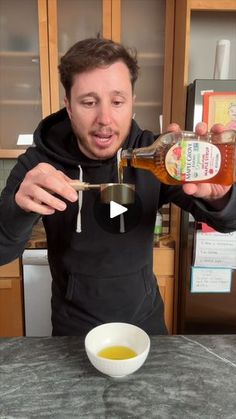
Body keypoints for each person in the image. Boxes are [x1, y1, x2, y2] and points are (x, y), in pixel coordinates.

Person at [0, 38, 236, 336]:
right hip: (73, 332)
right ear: (69, 107)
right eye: (88, 102)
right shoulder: (38, 164)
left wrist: (221, 197)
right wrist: (19, 209)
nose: (105, 120)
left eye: (117, 101)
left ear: (132, 102)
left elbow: (229, 221)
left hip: (145, 326)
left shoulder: (158, 155)